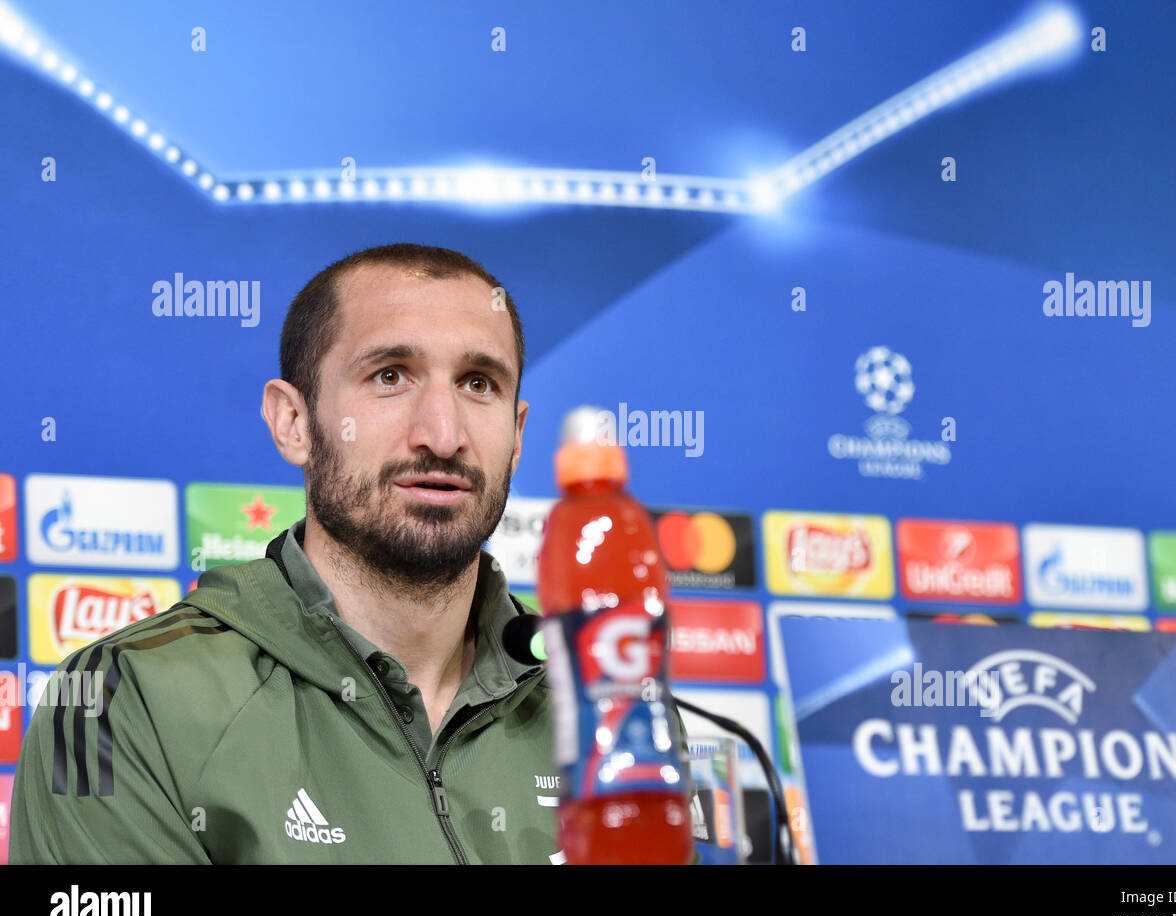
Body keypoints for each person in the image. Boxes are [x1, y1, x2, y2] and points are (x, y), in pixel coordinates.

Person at [10, 243, 692, 864]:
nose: (444, 433)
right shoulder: (123, 701)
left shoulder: (615, 720)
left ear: (517, 433)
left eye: (479, 382)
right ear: (293, 421)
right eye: (391, 375)